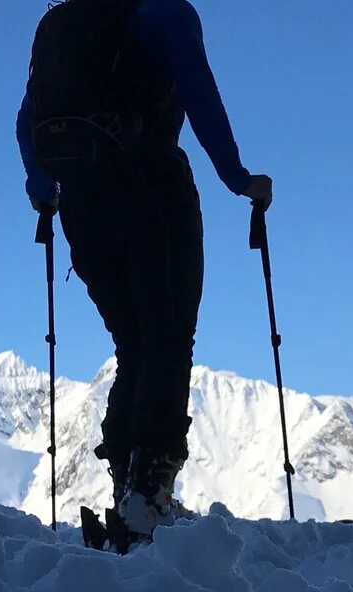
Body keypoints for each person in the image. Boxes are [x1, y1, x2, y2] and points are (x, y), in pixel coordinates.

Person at [14, 0, 272, 542]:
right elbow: (199, 92)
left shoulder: (72, 24)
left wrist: (44, 189)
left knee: (135, 344)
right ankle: (148, 495)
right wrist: (239, 178)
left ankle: (128, 493)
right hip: (151, 192)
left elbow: (27, 120)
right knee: (170, 336)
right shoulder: (165, 13)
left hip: (83, 210)